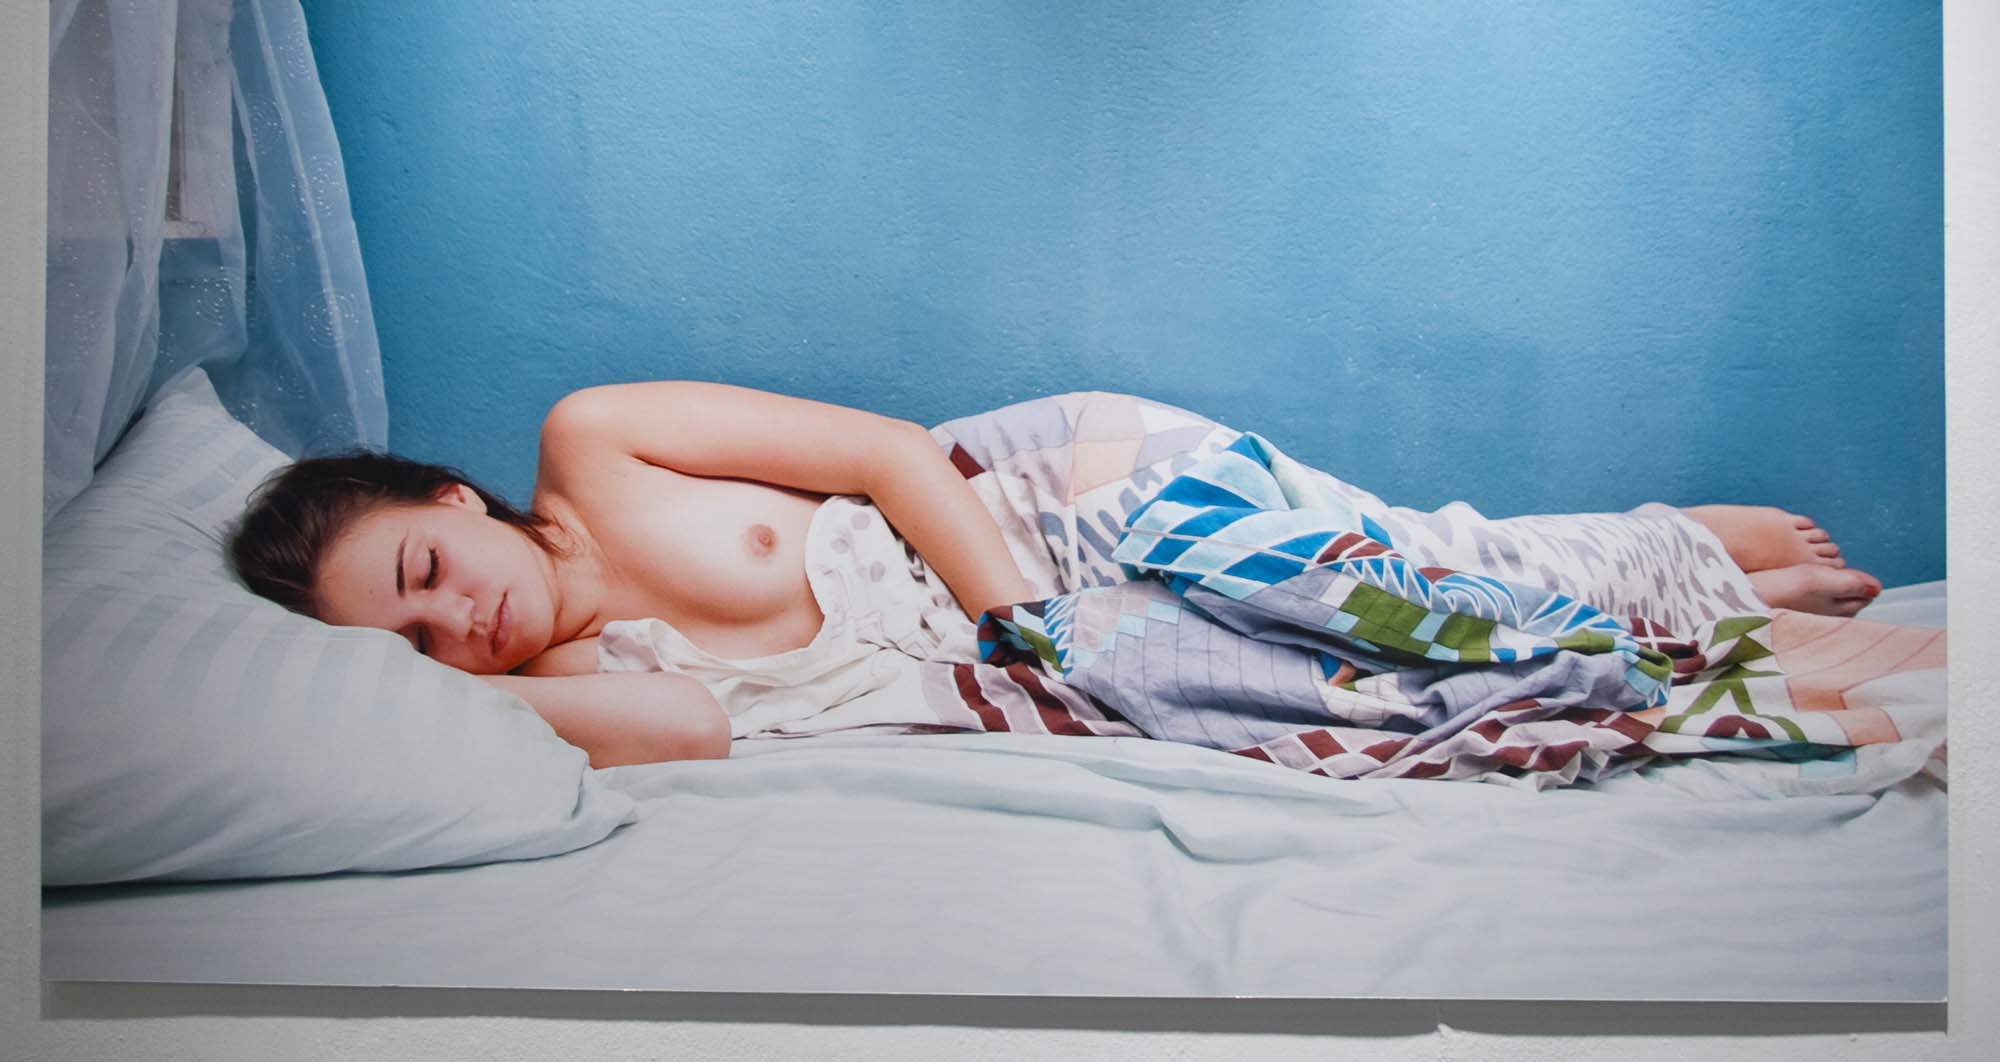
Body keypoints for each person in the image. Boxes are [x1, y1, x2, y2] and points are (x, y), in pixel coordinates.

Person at [227, 382, 1884, 769]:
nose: (459, 618)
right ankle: (1687, 620)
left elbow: (887, 451)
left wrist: (1020, 610)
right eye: (415, 639)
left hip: (1042, 510)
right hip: (1037, 659)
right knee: (1386, 689)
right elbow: (697, 730)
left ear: (450, 493)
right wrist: (460, 692)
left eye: (428, 566)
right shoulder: (571, 686)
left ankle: (1676, 543)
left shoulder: (591, 444)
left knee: (1401, 578)